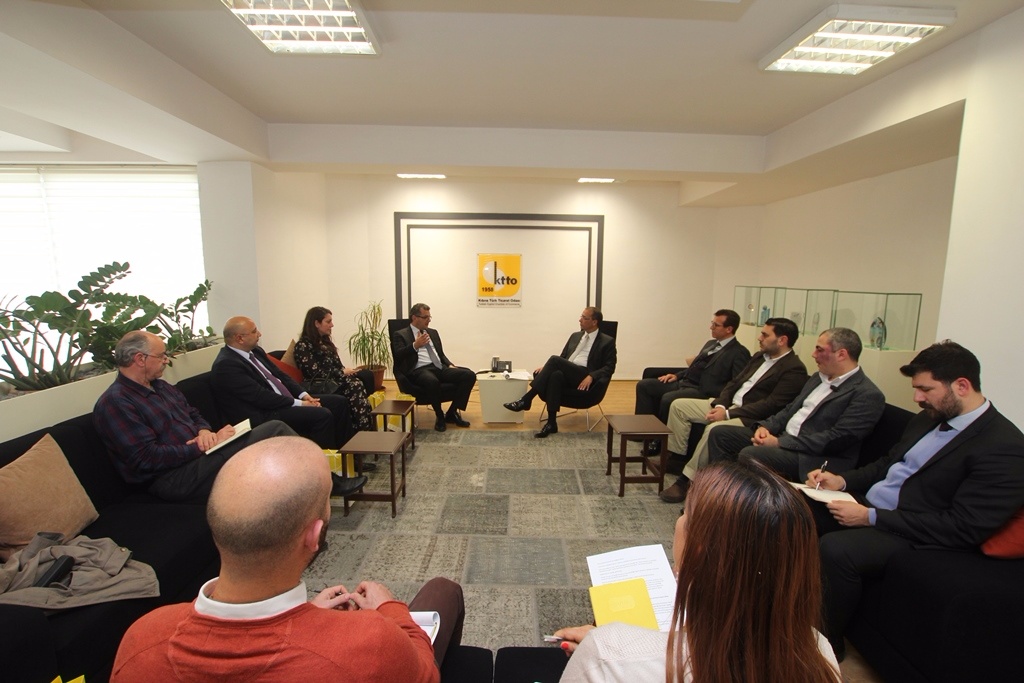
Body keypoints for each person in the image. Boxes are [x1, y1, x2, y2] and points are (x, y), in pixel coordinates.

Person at [111, 436, 465, 682]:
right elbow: (425, 673)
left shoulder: (140, 639)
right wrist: (390, 610)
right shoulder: (371, 642)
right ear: (313, 535)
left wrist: (309, 616)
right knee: (443, 590)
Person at [804, 340, 1024, 660]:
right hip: (872, 504)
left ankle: (825, 647)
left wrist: (870, 517)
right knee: (795, 510)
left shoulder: (1004, 447)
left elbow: (964, 527)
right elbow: (887, 464)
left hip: (915, 530)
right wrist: (842, 481)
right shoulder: (928, 418)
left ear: (962, 386)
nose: (917, 398)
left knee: (837, 550)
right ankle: (781, 606)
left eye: (925, 389)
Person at [555, 460, 840, 682]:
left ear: (700, 549)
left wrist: (603, 652)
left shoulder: (608, 657)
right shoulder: (819, 652)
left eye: (685, 513)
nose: (679, 522)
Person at [92, 330, 300, 502]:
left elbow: (193, 413)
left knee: (266, 454)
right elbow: (146, 459)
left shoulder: (161, 386)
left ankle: (300, 496)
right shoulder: (116, 402)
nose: (166, 360)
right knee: (274, 429)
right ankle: (315, 485)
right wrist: (201, 446)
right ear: (140, 359)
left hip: (201, 457)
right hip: (173, 478)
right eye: (161, 356)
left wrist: (204, 432)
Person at [658, 317, 808, 503]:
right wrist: (722, 405)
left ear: (782, 340)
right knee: (679, 406)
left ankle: (687, 480)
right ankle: (677, 458)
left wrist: (728, 414)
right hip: (728, 405)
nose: (759, 338)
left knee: (714, 429)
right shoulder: (759, 357)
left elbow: (771, 405)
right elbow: (734, 383)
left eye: (765, 334)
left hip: (748, 416)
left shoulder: (794, 369)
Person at [706, 327, 885, 483]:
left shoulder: (867, 394)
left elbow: (836, 439)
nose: (813, 355)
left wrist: (780, 443)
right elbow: (790, 410)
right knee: (720, 434)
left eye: (819, 349)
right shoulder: (818, 378)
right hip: (784, 438)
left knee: (751, 453)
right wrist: (765, 427)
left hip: (813, 456)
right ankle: (718, 491)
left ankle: (740, 501)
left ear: (841, 354)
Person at [211, 316, 365, 496]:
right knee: (321, 415)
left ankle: (348, 462)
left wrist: (304, 395)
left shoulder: (256, 352)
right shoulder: (227, 364)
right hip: (264, 414)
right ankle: (324, 480)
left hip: (283, 402)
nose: (259, 334)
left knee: (338, 402)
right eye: (254, 331)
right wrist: (300, 404)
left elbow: (282, 376)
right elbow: (260, 397)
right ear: (239, 338)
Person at [503, 307, 616, 438]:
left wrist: (592, 376)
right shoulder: (575, 336)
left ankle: (526, 399)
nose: (580, 320)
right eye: (581, 316)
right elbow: (563, 358)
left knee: (554, 359)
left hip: (584, 375)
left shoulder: (607, 341)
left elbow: (610, 367)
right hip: (570, 372)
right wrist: (546, 368)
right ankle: (551, 423)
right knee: (555, 376)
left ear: (594, 322)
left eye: (584, 318)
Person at [634, 309, 750, 428]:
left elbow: (737, 382)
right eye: (712, 323)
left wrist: (721, 401)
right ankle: (642, 429)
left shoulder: (739, 352)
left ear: (729, 329)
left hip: (702, 390)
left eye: (716, 325)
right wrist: (677, 375)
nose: (711, 327)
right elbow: (697, 365)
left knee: (668, 398)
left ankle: (661, 435)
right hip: (684, 383)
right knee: (644, 386)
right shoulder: (711, 344)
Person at [391, 303, 476, 432]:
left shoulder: (433, 332)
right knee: (431, 381)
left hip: (439, 367)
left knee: (469, 375)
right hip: (419, 370)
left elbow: (441, 354)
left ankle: (451, 413)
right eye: (425, 317)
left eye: (429, 317)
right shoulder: (401, 334)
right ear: (414, 317)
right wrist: (415, 345)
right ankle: (439, 415)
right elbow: (398, 355)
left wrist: (449, 365)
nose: (429, 320)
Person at [293, 306, 375, 433]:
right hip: (321, 384)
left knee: (366, 375)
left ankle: (364, 425)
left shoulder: (326, 342)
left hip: (334, 378)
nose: (332, 325)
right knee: (355, 385)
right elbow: (315, 372)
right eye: (328, 321)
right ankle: (362, 430)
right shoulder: (303, 346)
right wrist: (341, 372)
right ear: (316, 323)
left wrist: (345, 371)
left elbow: (338, 365)